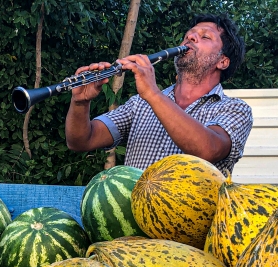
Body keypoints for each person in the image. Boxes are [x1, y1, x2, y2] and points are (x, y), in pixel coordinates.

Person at [65, 13, 253, 174]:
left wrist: (153, 94)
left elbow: (208, 149)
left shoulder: (234, 109)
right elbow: (81, 141)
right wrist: (80, 103)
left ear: (223, 62)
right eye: (189, 35)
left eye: (205, 37)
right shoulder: (139, 104)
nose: (191, 38)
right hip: (135, 216)